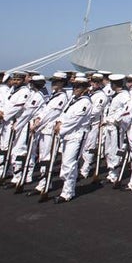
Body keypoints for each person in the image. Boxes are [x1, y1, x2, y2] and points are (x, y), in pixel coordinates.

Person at [53, 75, 93, 203]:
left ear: (85, 88)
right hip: (67, 135)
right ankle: (67, 189)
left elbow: (75, 120)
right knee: (66, 163)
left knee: (69, 164)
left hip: (76, 136)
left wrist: (61, 127)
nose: (75, 89)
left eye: (79, 87)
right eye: (75, 86)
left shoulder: (85, 102)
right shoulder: (73, 99)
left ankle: (67, 193)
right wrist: (59, 122)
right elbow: (64, 113)